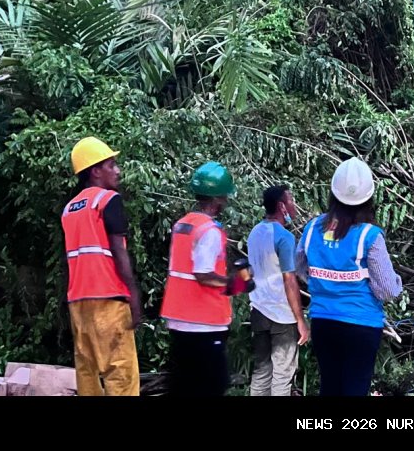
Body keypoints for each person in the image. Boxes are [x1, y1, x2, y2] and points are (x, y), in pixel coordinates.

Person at [296, 158, 403, 396]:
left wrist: (323, 285)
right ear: (368, 198)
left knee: (330, 386)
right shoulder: (370, 235)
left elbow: (300, 266)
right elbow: (387, 290)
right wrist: (397, 283)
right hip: (361, 323)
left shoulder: (313, 228)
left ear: (333, 194)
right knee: (355, 387)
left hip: (323, 321)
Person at [159, 161, 251, 397]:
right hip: (204, 324)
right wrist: (235, 283)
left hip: (179, 318)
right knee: (212, 386)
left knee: (184, 386)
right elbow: (203, 274)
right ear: (218, 198)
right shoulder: (209, 231)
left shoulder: (184, 225)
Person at [61, 136, 142, 397]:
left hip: (78, 303)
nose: (117, 171)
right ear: (95, 171)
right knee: (121, 374)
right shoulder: (108, 200)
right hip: (109, 301)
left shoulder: (69, 209)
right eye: (111, 165)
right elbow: (119, 252)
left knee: (87, 373)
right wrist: (134, 296)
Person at [247, 184, 310, 396]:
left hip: (258, 309)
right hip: (281, 315)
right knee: (283, 374)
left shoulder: (255, 232)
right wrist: (300, 319)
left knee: (262, 371)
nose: (294, 207)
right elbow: (289, 280)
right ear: (282, 206)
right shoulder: (284, 237)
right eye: (291, 202)